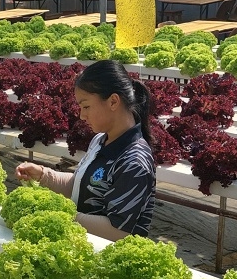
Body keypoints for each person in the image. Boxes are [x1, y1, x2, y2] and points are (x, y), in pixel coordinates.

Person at [15, 60, 156, 240]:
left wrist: (61, 214)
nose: (82, 115)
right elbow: (80, 185)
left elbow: (118, 231)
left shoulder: (134, 161)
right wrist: (43, 176)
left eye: (86, 106)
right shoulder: (100, 140)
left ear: (113, 101)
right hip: (82, 244)